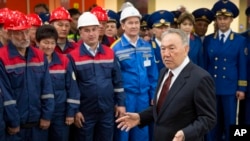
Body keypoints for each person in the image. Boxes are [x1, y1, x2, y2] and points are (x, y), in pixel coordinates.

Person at [116, 28, 216, 141]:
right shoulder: (164, 72)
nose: (166, 54)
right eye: (163, 49)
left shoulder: (200, 78)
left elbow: (208, 118)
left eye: (172, 48)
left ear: (186, 49)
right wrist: (140, 117)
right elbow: (163, 107)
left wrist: (186, 134)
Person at [68, 12, 125, 141]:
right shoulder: (73, 56)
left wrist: (120, 103)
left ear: (99, 30)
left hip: (107, 110)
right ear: (80, 33)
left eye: (94, 29)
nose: (91, 33)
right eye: (87, 30)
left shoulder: (110, 53)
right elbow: (72, 87)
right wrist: (75, 110)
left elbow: (118, 81)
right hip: (85, 112)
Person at [0, 10, 54, 141]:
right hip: (14, 128)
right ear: (9, 33)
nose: (25, 37)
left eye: (26, 31)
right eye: (19, 33)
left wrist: (47, 116)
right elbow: (6, 96)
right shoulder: (2, 57)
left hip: (39, 125)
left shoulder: (40, 56)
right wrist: (13, 121)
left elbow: (47, 89)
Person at [111, 6, 158, 141]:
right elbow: (113, 79)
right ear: (123, 25)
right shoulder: (115, 48)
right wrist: (117, 101)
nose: (134, 26)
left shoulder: (146, 46)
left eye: (136, 22)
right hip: (126, 99)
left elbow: (152, 74)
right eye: (130, 23)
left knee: (142, 134)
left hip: (144, 98)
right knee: (123, 134)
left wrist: (153, 94)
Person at [204, 1, 248, 141]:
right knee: (213, 121)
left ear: (231, 19)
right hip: (212, 87)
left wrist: (242, 87)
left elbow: (242, 65)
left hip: (230, 88)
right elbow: (205, 65)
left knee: (231, 121)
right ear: (216, 20)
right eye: (220, 18)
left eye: (226, 18)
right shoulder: (209, 40)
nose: (222, 22)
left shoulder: (240, 40)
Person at [35, 24, 80, 141]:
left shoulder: (64, 61)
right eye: (45, 42)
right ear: (37, 42)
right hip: (38, 114)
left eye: (52, 43)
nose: (49, 46)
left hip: (60, 114)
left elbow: (72, 88)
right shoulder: (31, 62)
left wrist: (70, 112)